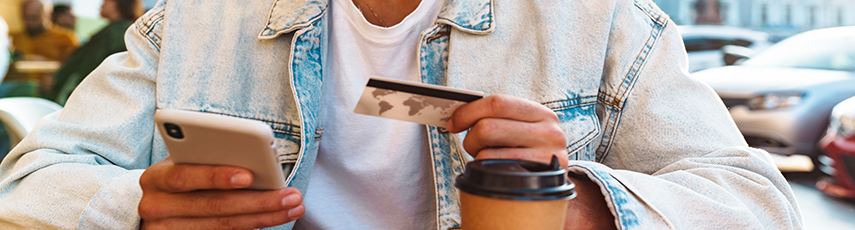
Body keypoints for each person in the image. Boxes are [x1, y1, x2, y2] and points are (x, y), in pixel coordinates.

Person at [0, 0, 803, 229]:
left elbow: (757, 201)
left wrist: (577, 205)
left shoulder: (595, 21)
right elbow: (32, 180)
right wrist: (135, 204)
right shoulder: (196, 18)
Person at [47, 0, 144, 105]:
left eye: (105, 1)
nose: (101, 4)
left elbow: (89, 67)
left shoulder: (115, 34)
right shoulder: (126, 31)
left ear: (116, 3)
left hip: (87, 99)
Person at [10, 0, 79, 63]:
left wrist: (45, 63)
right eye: (25, 17)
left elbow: (74, 67)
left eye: (34, 18)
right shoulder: (11, 38)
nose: (29, 22)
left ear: (49, 15)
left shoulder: (67, 39)